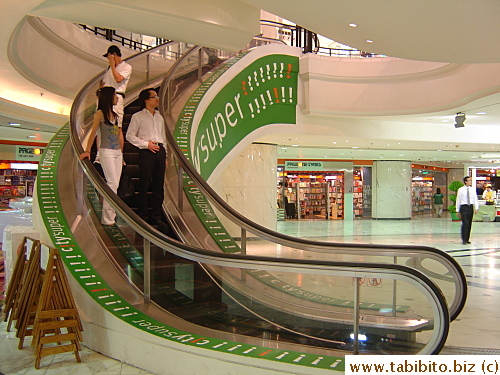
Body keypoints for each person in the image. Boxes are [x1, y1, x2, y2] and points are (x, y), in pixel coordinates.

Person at [80, 87, 124, 225]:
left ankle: (111, 216)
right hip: (106, 151)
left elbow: (118, 135)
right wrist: (87, 151)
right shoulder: (100, 113)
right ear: (109, 97)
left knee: (115, 184)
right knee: (112, 183)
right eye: (115, 95)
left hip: (117, 152)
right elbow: (93, 133)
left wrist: (122, 154)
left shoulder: (116, 115)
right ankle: (108, 218)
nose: (117, 98)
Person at [126, 88, 167, 227]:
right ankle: (142, 215)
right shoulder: (137, 116)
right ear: (146, 100)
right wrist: (145, 144)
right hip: (146, 151)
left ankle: (156, 216)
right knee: (144, 184)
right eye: (154, 97)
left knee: (158, 185)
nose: (157, 99)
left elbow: (164, 136)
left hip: (160, 150)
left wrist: (164, 154)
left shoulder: (160, 116)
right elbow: (129, 136)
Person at [101, 45, 132, 127]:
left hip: (116, 96)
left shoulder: (126, 67)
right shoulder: (109, 69)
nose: (108, 59)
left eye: (109, 57)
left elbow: (118, 79)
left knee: (117, 126)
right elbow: (103, 82)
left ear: (113, 55)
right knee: (103, 123)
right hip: (105, 96)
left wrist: (112, 66)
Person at [456, 176, 479, 245]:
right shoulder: (460, 190)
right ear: (465, 181)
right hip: (463, 207)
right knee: (465, 223)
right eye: (469, 180)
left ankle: (467, 239)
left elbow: (475, 198)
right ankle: (464, 239)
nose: (470, 182)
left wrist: (476, 208)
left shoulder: (472, 189)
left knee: (469, 223)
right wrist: (457, 210)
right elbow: (458, 200)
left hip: (470, 207)